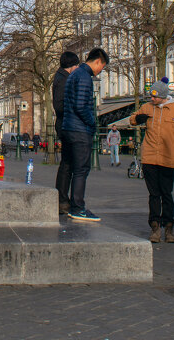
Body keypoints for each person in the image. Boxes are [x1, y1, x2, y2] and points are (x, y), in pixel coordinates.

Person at [130, 80, 174, 243]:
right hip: (150, 157)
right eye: (151, 96)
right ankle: (155, 227)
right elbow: (132, 119)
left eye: (155, 96)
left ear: (163, 96)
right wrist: (137, 118)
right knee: (153, 194)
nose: (152, 99)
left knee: (167, 193)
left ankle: (169, 226)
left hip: (169, 157)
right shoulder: (147, 108)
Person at [63, 48, 109, 222]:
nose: (100, 71)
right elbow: (81, 105)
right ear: (97, 61)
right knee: (82, 169)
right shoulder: (84, 77)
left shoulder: (74, 75)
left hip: (69, 127)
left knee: (74, 168)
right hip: (79, 130)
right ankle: (78, 207)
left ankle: (74, 205)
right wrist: (92, 122)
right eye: (102, 67)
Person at [52, 51, 79, 214]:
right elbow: (59, 105)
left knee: (67, 163)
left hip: (64, 124)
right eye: (76, 65)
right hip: (66, 124)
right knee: (68, 163)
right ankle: (62, 198)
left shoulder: (60, 77)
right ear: (71, 66)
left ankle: (62, 198)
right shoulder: (64, 80)